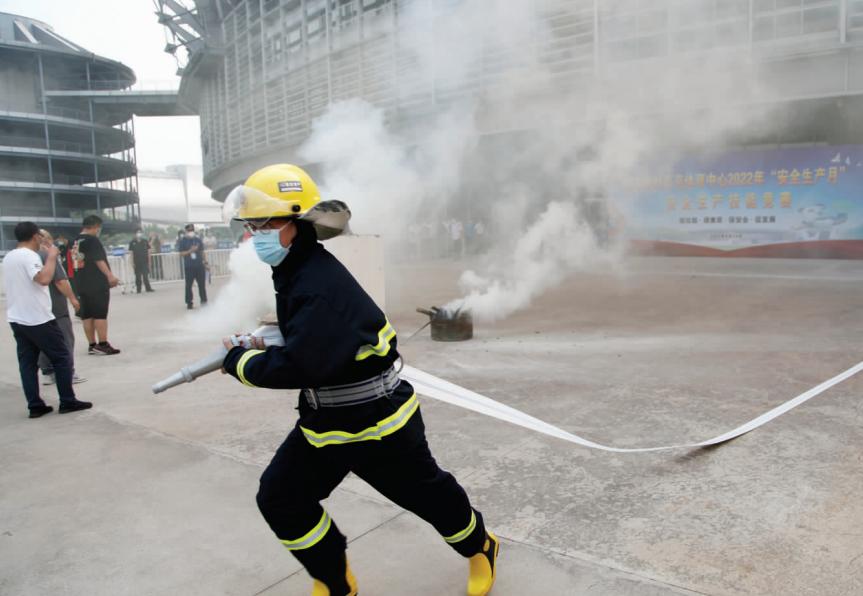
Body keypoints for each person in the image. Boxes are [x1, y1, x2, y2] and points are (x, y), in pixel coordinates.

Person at [220, 164, 498, 596]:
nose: (255, 233)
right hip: (325, 423)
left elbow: (301, 366)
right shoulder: (295, 269)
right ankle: (335, 580)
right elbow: (309, 339)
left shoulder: (317, 283)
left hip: (378, 423)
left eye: (264, 223)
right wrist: (264, 339)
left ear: (296, 222)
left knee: (431, 498)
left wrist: (239, 362)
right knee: (280, 498)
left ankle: (482, 547)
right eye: (252, 224)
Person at [3, 222, 93, 417]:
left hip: (17, 318)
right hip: (37, 318)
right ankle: (68, 401)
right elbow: (43, 278)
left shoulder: (9, 257)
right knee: (62, 357)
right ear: (35, 236)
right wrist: (52, 257)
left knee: (27, 363)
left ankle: (35, 406)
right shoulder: (29, 256)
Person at [35, 229, 86, 386]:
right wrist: (73, 299)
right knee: (65, 339)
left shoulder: (29, 256)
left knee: (44, 341)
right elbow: (60, 281)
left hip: (39, 307)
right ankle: (67, 372)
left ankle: (48, 371)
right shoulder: (48, 256)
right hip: (56, 306)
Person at [70, 215, 121, 355]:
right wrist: (110, 276)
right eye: (99, 227)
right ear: (95, 226)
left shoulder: (75, 241)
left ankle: (92, 345)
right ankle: (103, 344)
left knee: (87, 315)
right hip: (96, 282)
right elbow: (98, 260)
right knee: (100, 314)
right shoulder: (92, 240)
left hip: (81, 281)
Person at [177, 223, 207, 309]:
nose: (191, 232)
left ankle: (204, 301)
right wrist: (190, 251)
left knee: (202, 284)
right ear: (186, 231)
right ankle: (189, 302)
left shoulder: (198, 240)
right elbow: (181, 253)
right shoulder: (183, 241)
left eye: (192, 231)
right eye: (189, 231)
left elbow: (202, 252)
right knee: (189, 285)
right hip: (189, 266)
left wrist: (205, 262)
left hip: (199, 265)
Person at [128, 229, 154, 293]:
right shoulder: (132, 242)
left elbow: (149, 252)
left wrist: (149, 262)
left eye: (140, 232)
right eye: (138, 232)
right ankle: (138, 289)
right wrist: (132, 262)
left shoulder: (145, 241)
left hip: (145, 261)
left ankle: (148, 288)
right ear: (135, 234)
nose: (139, 234)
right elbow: (131, 253)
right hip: (136, 262)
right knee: (138, 276)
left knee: (145, 276)